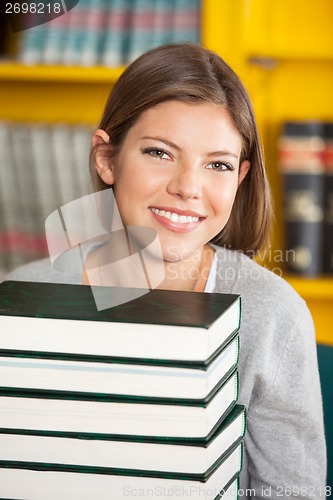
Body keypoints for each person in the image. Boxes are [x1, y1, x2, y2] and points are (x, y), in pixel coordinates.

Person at [6, 43, 326, 498]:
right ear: (106, 159)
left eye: (218, 164)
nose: (188, 188)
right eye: (160, 153)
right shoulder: (21, 295)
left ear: (240, 178)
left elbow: (293, 493)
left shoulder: (272, 315)